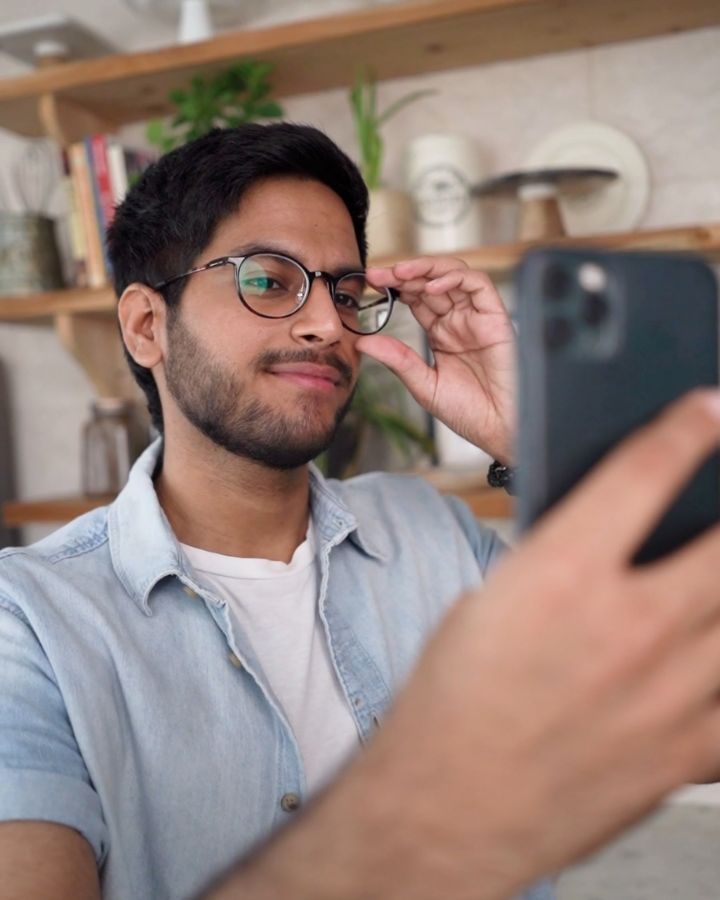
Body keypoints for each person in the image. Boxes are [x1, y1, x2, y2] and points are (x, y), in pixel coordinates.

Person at [0, 122, 718, 900]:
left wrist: (537, 440)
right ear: (147, 326)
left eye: (346, 292)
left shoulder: (433, 532)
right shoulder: (30, 621)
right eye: (269, 280)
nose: (326, 325)